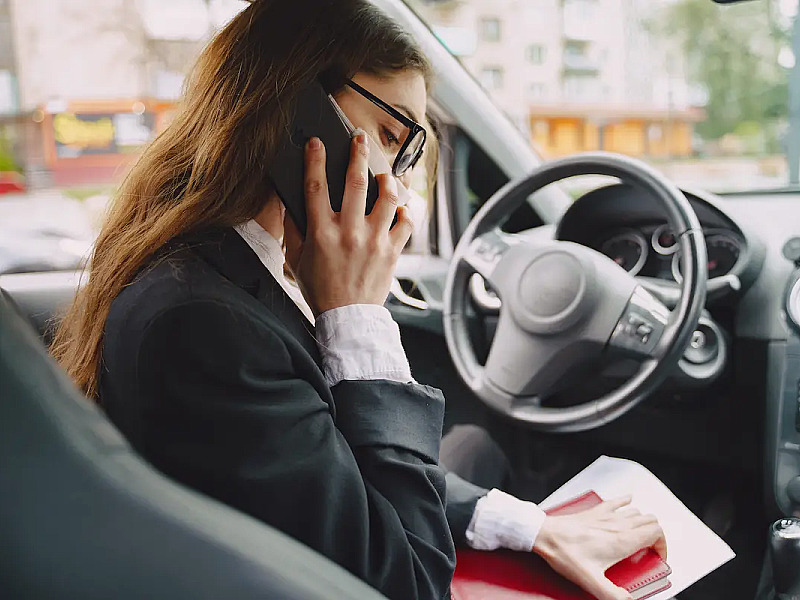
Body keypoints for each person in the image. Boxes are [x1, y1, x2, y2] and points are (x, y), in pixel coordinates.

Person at [51, 2, 666, 599]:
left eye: (408, 154)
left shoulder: (232, 269)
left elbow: (326, 463)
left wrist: (532, 528)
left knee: (477, 448)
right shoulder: (206, 326)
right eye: (390, 136)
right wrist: (357, 317)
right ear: (296, 112)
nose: (397, 185)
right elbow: (409, 580)